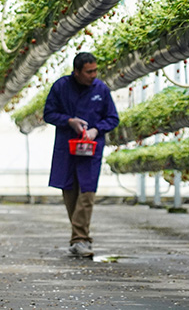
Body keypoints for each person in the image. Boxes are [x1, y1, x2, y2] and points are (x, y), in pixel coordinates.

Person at [43, 52, 119, 258]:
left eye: (95, 71)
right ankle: (80, 238)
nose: (93, 75)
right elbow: (48, 113)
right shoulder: (61, 87)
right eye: (89, 72)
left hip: (90, 150)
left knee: (87, 193)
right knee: (70, 194)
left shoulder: (101, 89)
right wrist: (69, 121)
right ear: (76, 72)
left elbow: (113, 118)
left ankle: (79, 239)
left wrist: (96, 129)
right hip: (67, 148)